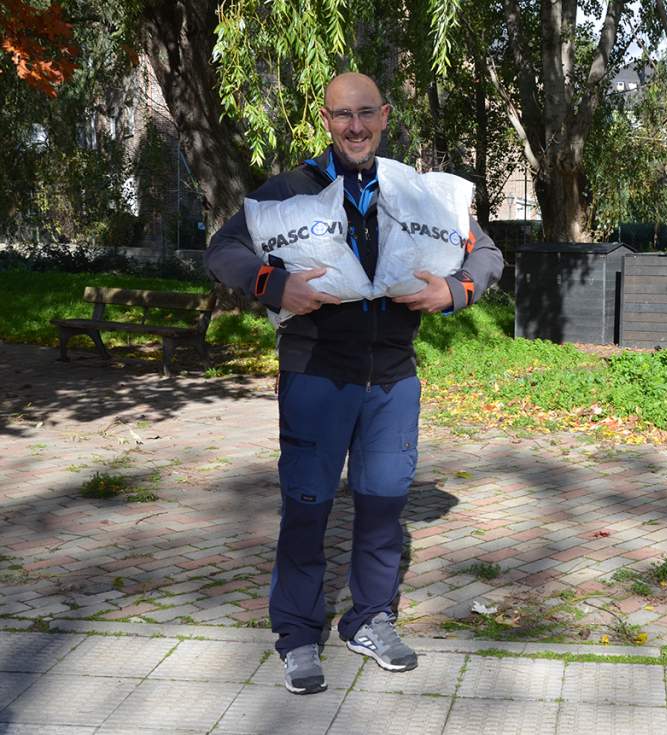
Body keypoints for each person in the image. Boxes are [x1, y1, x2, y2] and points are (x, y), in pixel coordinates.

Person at [204, 72, 503, 695]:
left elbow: (487, 253)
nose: (356, 126)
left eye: (367, 113)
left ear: (386, 116)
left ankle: (370, 619)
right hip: (315, 374)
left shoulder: (416, 194)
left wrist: (455, 289)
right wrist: (270, 283)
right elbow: (223, 248)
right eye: (344, 115)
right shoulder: (290, 190)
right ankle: (296, 633)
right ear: (326, 117)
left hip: (392, 377)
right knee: (307, 507)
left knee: (383, 507)